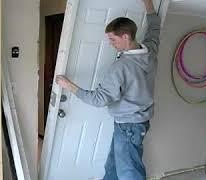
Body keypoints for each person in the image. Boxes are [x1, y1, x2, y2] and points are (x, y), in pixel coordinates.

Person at [56, 0, 161, 179]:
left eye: (113, 39)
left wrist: (69, 86)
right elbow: (154, 29)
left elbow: (99, 99)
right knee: (112, 166)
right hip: (137, 122)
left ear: (126, 37)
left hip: (129, 125)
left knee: (129, 172)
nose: (110, 44)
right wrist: (149, 5)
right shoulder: (149, 51)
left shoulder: (121, 67)